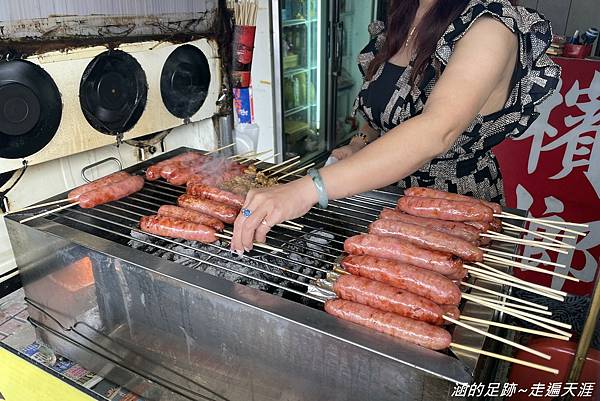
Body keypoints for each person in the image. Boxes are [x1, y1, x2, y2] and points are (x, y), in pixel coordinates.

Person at [231, 0, 560, 253]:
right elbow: (385, 112)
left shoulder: (489, 26)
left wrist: (309, 189)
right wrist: (360, 142)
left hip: (453, 208)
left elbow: (436, 131)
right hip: (383, 198)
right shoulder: (406, 16)